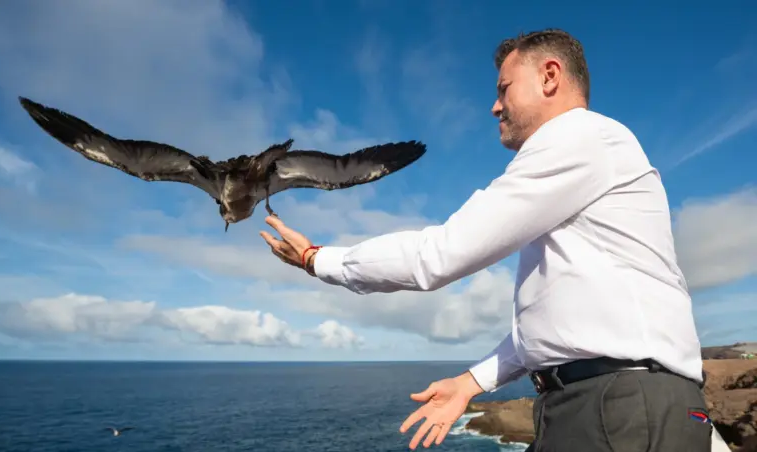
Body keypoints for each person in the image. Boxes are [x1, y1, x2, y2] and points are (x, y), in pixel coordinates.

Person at [260, 29, 712, 452]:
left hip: (616, 407)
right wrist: (471, 382)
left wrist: (316, 259)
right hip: (614, 405)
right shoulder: (590, 160)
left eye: (503, 88)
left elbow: (437, 256)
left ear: (550, 77)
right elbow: (558, 328)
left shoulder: (577, 137)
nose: (495, 107)